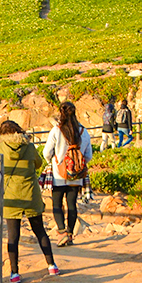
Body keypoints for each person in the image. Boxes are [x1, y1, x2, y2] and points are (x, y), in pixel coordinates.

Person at [0, 119, 57, 283]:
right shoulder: (29, 146)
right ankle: (51, 265)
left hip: (11, 196)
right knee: (40, 231)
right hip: (30, 193)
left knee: (13, 236)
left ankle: (14, 273)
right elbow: (38, 164)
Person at [44, 102, 91, 247]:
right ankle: (70, 234)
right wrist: (78, 164)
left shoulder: (57, 130)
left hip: (59, 174)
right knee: (72, 204)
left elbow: (47, 152)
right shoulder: (83, 131)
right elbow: (88, 155)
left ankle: (62, 232)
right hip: (76, 175)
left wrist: (53, 161)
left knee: (57, 203)